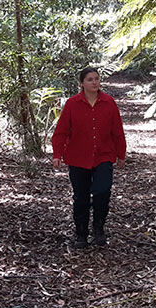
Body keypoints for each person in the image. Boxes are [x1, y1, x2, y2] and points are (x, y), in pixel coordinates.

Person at [51, 67, 127, 249]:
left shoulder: (109, 103)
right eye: (90, 79)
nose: (95, 82)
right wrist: (57, 154)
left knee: (102, 192)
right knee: (81, 197)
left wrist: (121, 154)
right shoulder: (72, 104)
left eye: (97, 79)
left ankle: (99, 228)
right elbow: (61, 132)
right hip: (78, 157)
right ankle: (81, 233)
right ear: (82, 83)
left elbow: (117, 131)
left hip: (104, 156)